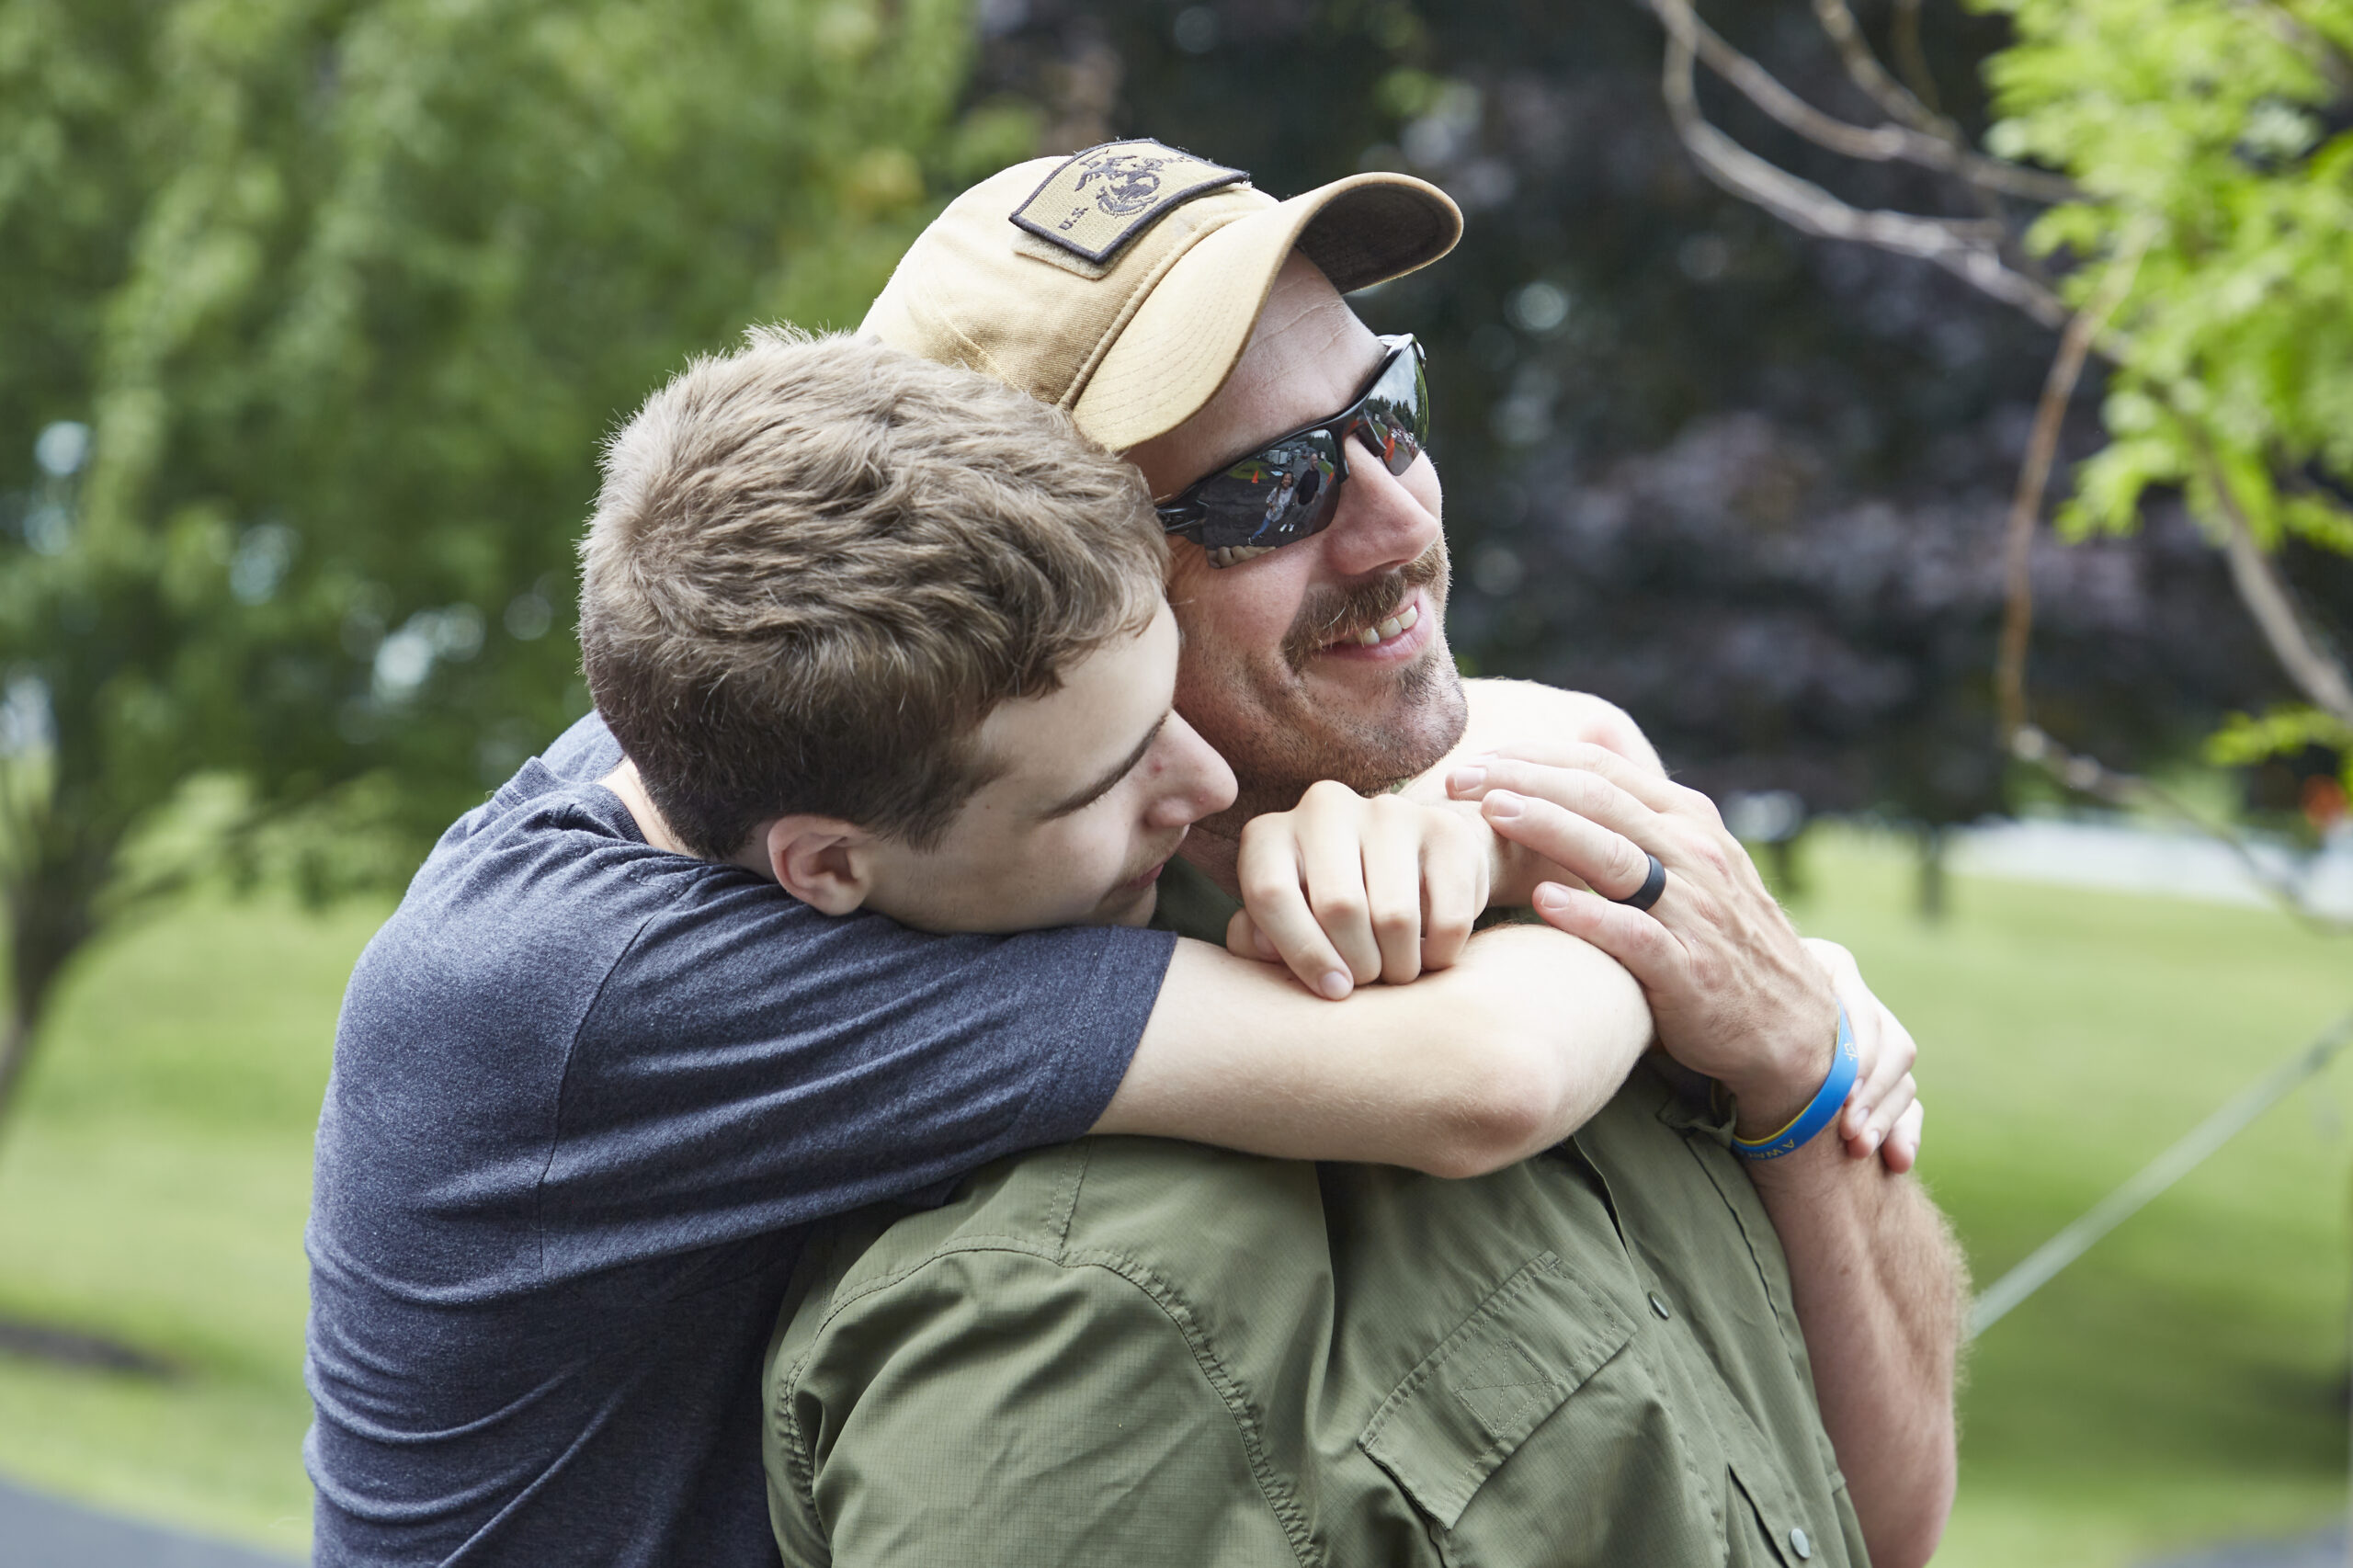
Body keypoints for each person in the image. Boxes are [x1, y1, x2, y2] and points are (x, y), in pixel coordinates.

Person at [307, 319, 1806, 1566]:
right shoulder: (627, 999)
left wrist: (1479, 812)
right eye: (1111, 780)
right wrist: (1696, 936)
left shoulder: (760, 710)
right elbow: (1479, 1076)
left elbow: (1561, 731)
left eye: (1167, 703)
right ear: (826, 868)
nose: (1207, 783)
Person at [761, 143, 1962, 1568]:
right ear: (1043, 605)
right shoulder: (1049, 1293)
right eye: (1270, 489)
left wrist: (1798, 1069)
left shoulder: (1578, 858)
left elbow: (1880, 1518)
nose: (1396, 519)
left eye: (1385, 410)